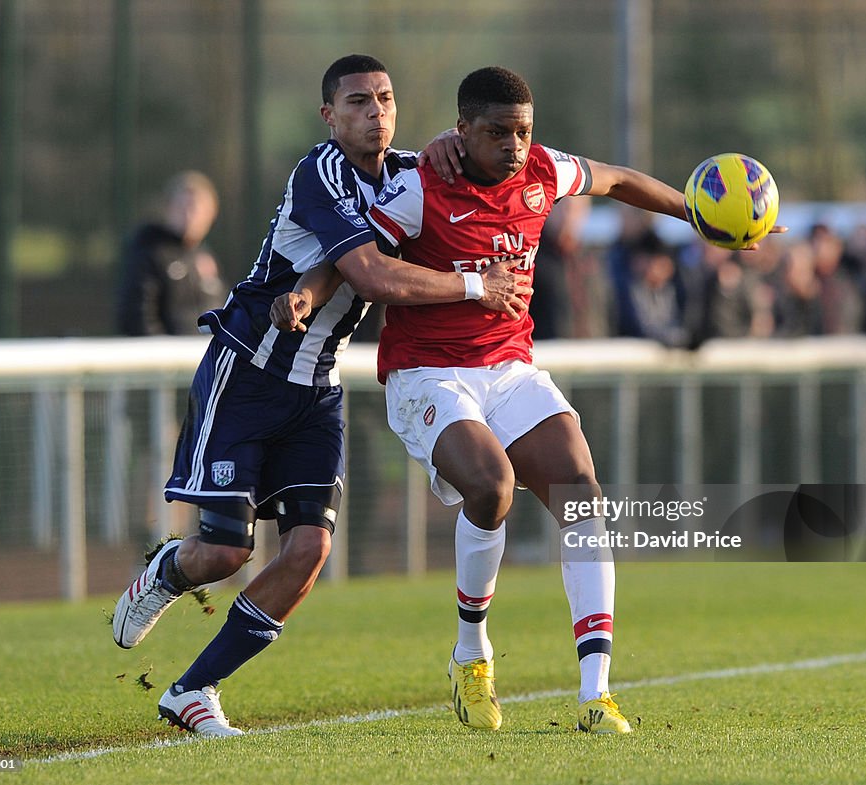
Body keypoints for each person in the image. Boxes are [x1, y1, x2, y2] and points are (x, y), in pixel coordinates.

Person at [280, 66, 777, 735]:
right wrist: (307, 292)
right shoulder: (420, 186)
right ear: (463, 131)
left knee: (581, 491)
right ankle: (470, 651)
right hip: (428, 373)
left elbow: (620, 180)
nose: (514, 145)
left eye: (523, 130)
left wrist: (696, 213)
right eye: (496, 132)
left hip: (509, 368)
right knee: (492, 487)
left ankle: (597, 693)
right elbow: (352, 257)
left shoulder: (543, 171)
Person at [110, 55, 530, 737]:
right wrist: (477, 287)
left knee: (308, 547)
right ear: (329, 116)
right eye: (359, 101)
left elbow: (469, 172)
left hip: (319, 387)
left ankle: (194, 688)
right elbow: (368, 271)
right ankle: (170, 566)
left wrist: (460, 145)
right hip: (248, 370)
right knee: (223, 552)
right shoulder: (321, 172)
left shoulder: (412, 171)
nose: (376, 112)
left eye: (386, 99)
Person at [116, 170, 228, 336]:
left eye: (197, 208)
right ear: (168, 208)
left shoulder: (206, 258)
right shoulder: (149, 251)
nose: (190, 215)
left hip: (205, 358)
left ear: (212, 213)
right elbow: (137, 318)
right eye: (183, 206)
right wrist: (164, 356)